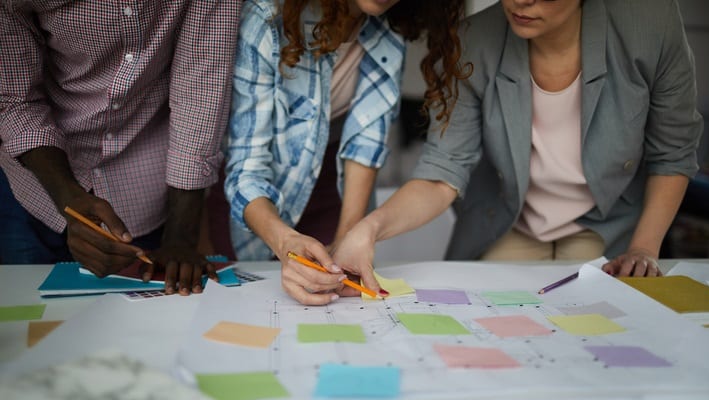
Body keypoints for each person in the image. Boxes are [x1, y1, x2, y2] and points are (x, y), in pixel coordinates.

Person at [328, 0, 703, 302]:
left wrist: (643, 247)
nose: (521, 2)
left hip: (608, 226)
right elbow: (443, 172)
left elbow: (672, 151)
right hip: (506, 222)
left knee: (595, 326)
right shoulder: (473, 41)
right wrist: (370, 228)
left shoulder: (651, 23)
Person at [224, 0, 470, 303]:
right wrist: (285, 240)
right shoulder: (267, 17)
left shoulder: (389, 24)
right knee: (255, 302)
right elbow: (246, 167)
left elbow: (367, 143)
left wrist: (347, 238)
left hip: (332, 184)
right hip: (252, 203)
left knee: (338, 298)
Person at [0, 1, 243, 295]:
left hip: (147, 188)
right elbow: (14, 98)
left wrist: (181, 237)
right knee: (29, 325)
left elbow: (201, 89)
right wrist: (68, 198)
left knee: (142, 330)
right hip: (31, 190)